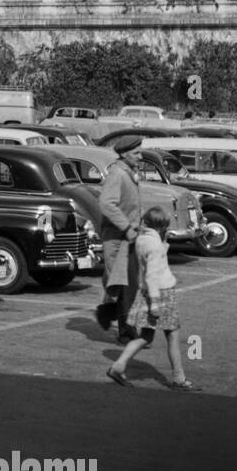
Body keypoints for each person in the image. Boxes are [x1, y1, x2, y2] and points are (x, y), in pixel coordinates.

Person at [106, 206, 198, 389]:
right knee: (172, 335)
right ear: (162, 226)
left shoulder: (143, 240)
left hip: (147, 292)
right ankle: (179, 379)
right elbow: (153, 274)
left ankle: (118, 366)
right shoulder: (155, 245)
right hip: (161, 294)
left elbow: (151, 262)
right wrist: (155, 304)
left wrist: (164, 244)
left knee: (145, 337)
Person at [96, 135, 144, 339]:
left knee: (128, 282)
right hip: (118, 238)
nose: (140, 157)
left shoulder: (128, 171)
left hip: (129, 237)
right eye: (136, 153)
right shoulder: (118, 173)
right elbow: (107, 204)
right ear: (124, 154)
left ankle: (109, 314)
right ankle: (125, 330)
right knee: (125, 283)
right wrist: (126, 228)